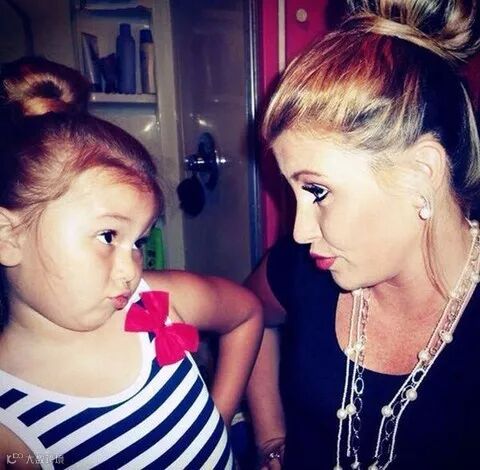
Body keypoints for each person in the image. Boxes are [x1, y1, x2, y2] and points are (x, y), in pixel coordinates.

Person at [245, 0, 480, 469]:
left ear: (420, 173)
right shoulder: (307, 266)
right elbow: (247, 312)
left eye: (317, 191)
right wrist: (270, 436)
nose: (300, 231)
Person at [0, 57, 262, 469]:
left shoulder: (156, 299)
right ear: (7, 236)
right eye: (108, 236)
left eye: (137, 241)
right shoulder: (10, 424)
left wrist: (219, 418)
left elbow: (246, 314)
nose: (131, 270)